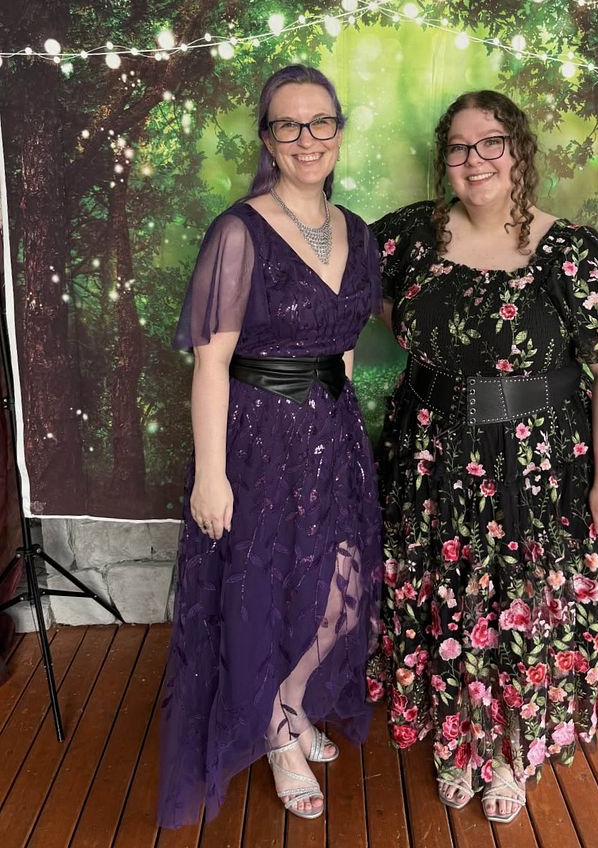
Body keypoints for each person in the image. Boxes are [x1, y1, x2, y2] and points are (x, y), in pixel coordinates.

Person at [367, 90, 598, 824]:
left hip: (538, 462)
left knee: (518, 603)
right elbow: (358, 299)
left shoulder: (572, 252)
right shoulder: (407, 238)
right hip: (430, 453)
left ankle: (506, 750)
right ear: (445, 160)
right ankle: (455, 735)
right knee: (445, 596)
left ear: (518, 150)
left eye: (490, 142)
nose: (475, 160)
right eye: (459, 148)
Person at [158, 64, 382, 827]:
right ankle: (279, 733)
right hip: (256, 439)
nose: (306, 138)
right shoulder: (238, 231)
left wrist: (340, 428)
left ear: (339, 132)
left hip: (333, 436)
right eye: (289, 124)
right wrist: (211, 475)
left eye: (321, 122)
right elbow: (211, 363)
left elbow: (343, 344)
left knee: (338, 592)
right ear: (267, 138)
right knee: (266, 590)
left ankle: (283, 702)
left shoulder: (359, 232)